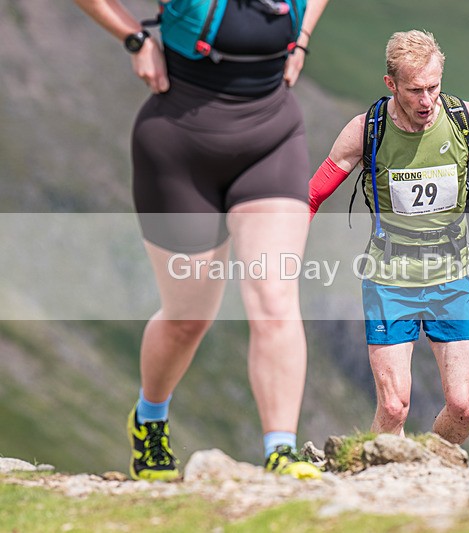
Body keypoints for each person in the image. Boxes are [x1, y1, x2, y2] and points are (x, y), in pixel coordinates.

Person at [73, 0, 329, 480]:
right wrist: (133, 37)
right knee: (188, 317)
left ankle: (281, 452)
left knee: (274, 296)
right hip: (178, 149)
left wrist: (303, 38)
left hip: (271, 140)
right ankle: (149, 418)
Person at [308, 30, 469, 445]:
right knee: (393, 407)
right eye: (415, 90)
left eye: (434, 88)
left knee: (465, 408)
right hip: (390, 277)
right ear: (391, 84)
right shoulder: (365, 130)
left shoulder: (466, 120)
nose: (427, 101)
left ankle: (426, 464)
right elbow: (313, 195)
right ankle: (370, 477)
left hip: (451, 276)